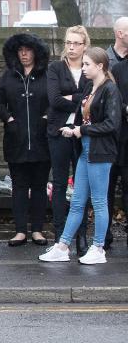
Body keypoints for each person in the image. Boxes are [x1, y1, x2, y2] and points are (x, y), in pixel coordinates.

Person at [39, 47, 122, 265]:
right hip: (85, 150)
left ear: (100, 66)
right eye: (83, 64)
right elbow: (81, 118)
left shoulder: (110, 89)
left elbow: (112, 124)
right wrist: (72, 128)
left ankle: (98, 248)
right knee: (77, 202)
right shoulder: (89, 88)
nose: (82, 68)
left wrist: (80, 131)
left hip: (100, 152)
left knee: (99, 202)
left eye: (87, 64)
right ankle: (62, 246)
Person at [0, 33, 51, 247]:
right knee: (18, 187)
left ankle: (37, 230)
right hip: (15, 141)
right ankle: (20, 231)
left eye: (28, 49)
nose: (24, 54)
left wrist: (46, 118)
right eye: (20, 50)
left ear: (36, 52)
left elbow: (57, 100)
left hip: (41, 141)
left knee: (39, 186)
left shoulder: (47, 75)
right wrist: (9, 120)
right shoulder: (9, 75)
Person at [45, 25, 92, 252]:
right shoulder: (55, 68)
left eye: (76, 43)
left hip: (83, 133)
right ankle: (60, 237)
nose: (72, 47)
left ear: (85, 46)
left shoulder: (89, 69)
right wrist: (81, 99)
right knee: (60, 183)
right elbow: (54, 100)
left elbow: (93, 98)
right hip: (58, 132)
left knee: (83, 185)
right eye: (69, 43)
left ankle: (82, 236)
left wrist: (73, 97)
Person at [109, 56, 128, 249]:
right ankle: (104, 236)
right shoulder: (119, 69)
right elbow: (113, 98)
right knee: (110, 189)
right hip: (119, 138)